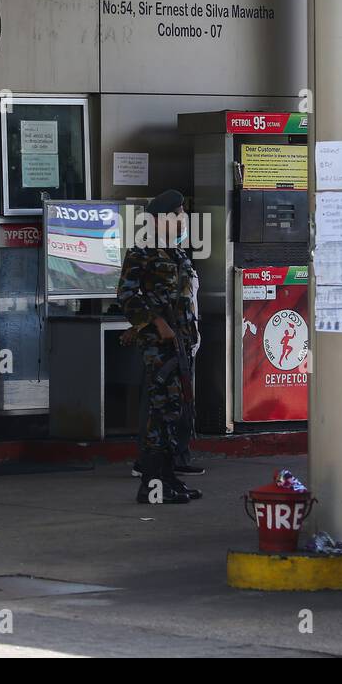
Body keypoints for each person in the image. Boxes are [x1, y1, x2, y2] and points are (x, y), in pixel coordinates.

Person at [117, 189, 202, 504]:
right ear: (159, 219)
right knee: (159, 412)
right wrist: (156, 323)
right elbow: (126, 296)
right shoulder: (142, 251)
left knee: (175, 412)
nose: (182, 219)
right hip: (159, 346)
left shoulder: (176, 253)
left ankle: (168, 479)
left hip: (180, 345)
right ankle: (151, 484)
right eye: (177, 214)